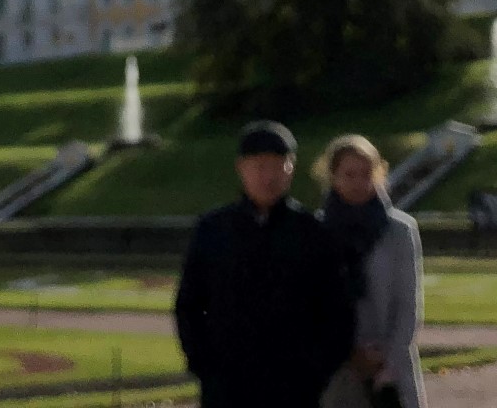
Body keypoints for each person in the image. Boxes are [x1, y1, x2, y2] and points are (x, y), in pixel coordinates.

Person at [174, 120, 354, 408]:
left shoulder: (312, 234)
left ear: (291, 168)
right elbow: (189, 305)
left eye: (278, 165)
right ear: (241, 168)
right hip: (228, 387)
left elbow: (338, 312)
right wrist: (204, 366)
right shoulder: (213, 230)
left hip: (294, 389)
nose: (269, 176)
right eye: (259, 166)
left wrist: (315, 373)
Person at [317, 134, 424, 408]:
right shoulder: (316, 232)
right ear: (333, 177)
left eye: (366, 174)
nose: (358, 183)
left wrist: (388, 360)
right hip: (336, 368)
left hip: (391, 369)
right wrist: (350, 353)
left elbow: (408, 304)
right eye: (349, 174)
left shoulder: (400, 230)